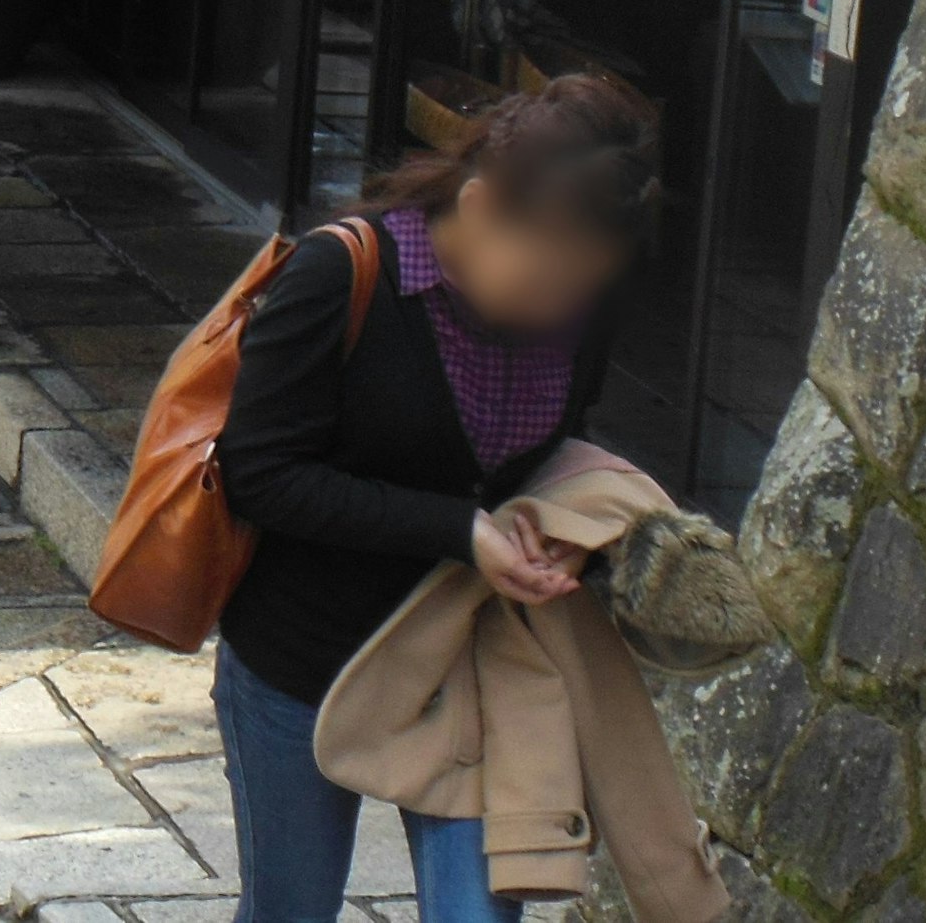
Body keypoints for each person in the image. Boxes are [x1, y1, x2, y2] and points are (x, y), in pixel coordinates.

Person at [209, 75, 659, 923]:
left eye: (584, 286)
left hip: (468, 661)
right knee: (290, 910)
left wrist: (563, 529)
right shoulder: (341, 274)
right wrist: (458, 529)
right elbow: (259, 473)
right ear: (482, 207)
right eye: (548, 278)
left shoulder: (576, 315)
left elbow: (545, 455)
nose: (562, 305)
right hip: (304, 661)